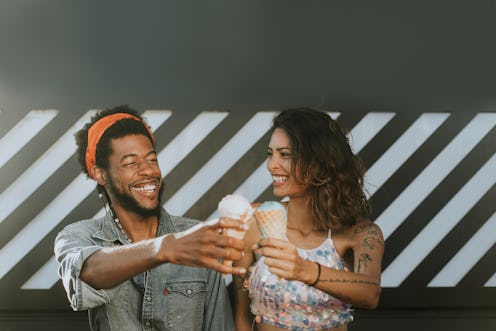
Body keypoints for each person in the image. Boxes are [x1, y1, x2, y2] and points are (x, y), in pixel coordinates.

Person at [54, 105, 247, 331]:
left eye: (151, 159)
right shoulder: (79, 236)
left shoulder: (198, 239)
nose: (147, 171)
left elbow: (219, 325)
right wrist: (164, 248)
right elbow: (87, 274)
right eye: (130, 163)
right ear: (100, 174)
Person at [232, 108, 384, 331]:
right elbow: (242, 318)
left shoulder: (362, 233)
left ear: (319, 162)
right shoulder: (253, 222)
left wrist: (303, 270)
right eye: (270, 153)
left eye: (285, 154)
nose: (271, 165)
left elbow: (370, 294)